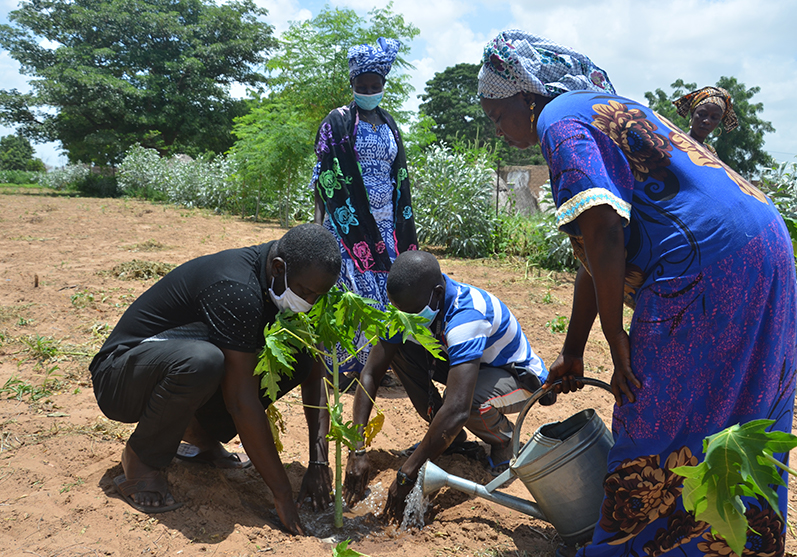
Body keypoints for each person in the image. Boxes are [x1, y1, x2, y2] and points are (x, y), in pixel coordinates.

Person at [478, 30, 796, 557]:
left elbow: (603, 230)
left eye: (496, 115)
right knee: (741, 404)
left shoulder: (558, 121)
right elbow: (592, 248)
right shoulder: (601, 105)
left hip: (704, 262)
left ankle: (634, 549)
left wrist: (613, 335)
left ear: (526, 96)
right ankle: (737, 544)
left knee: (652, 406)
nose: (498, 128)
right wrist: (573, 349)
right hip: (764, 243)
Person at [89, 224, 342, 535]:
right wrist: (282, 493)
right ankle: (141, 461)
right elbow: (240, 400)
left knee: (299, 357)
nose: (311, 302)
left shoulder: (285, 281)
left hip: (168, 367)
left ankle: (201, 436)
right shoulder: (235, 287)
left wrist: (319, 463)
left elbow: (315, 372)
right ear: (279, 268)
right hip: (121, 376)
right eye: (305, 292)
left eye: (319, 295)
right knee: (205, 362)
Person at [343, 250, 550, 521]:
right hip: (467, 365)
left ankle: (504, 441)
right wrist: (356, 449)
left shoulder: (467, 315)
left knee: (472, 400)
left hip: (514, 377)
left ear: (437, 293)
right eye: (399, 310)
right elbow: (371, 373)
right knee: (400, 351)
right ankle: (450, 438)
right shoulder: (407, 306)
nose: (405, 317)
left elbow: (457, 409)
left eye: (413, 312)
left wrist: (408, 473)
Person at [310, 37, 417, 379]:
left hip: (386, 228)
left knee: (383, 298)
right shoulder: (338, 121)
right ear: (352, 84)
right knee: (348, 295)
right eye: (362, 85)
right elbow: (323, 177)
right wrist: (317, 228)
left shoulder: (389, 125)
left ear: (384, 85)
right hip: (346, 225)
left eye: (375, 85)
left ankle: (375, 367)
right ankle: (340, 369)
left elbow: (397, 176)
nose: (369, 89)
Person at [673, 86, 738, 154]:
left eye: (714, 118)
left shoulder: (711, 154)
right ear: (692, 114)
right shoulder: (673, 142)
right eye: (702, 114)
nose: (707, 121)